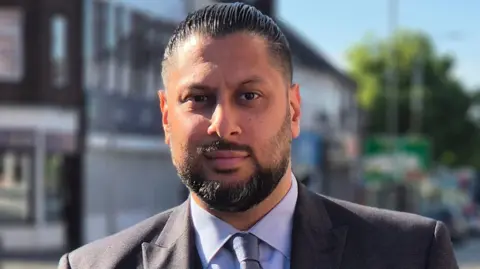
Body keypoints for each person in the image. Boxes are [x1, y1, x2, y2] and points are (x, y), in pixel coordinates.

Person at [58, 3, 458, 269]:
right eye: (198, 98)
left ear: (294, 110)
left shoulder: (410, 254)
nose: (223, 124)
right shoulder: (92, 267)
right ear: (166, 117)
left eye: (249, 96)